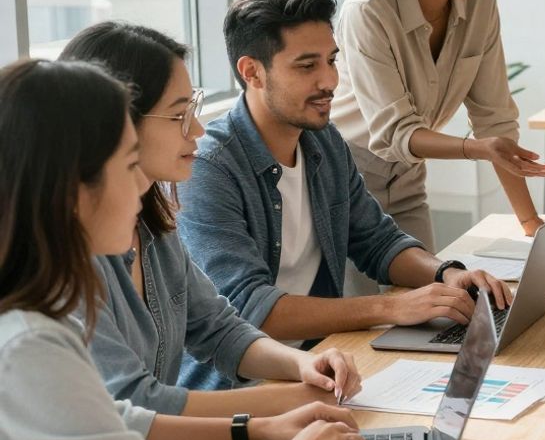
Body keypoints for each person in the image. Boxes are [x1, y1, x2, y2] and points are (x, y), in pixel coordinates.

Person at [0, 58, 371, 440]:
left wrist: (255, 428)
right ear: (73, 190)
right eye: (130, 164)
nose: (142, 185)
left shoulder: (38, 311)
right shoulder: (28, 347)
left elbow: (120, 422)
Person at [178, 0, 508, 390]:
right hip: (239, 393)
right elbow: (251, 308)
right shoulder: (209, 170)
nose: (329, 81)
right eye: (306, 66)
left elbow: (377, 240)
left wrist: (444, 274)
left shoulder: (323, 142)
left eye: (332, 61)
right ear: (252, 72)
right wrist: (391, 307)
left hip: (323, 370)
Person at [61, 22, 363, 416]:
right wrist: (281, 406)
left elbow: (218, 328)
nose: (198, 129)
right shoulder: (66, 258)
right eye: (179, 114)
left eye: (194, 108)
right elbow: (134, 404)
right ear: (118, 125)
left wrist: (303, 366)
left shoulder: (154, 223)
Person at [336, 0, 545, 253]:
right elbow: (393, 133)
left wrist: (530, 222)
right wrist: (476, 148)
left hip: (408, 177)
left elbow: (495, 119)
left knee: (427, 301)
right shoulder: (368, 11)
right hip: (344, 180)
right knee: (369, 312)